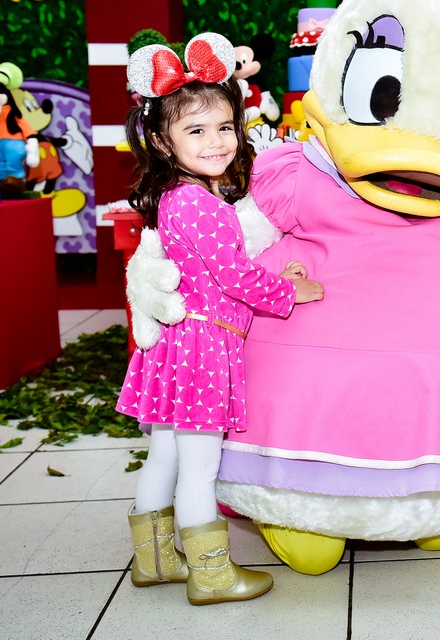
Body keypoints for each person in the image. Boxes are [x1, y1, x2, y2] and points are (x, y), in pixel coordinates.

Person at [115, 33, 324, 605]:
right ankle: (211, 576)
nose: (216, 142)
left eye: (224, 127)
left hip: (176, 345)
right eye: (196, 131)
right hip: (203, 349)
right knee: (200, 467)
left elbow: (214, 268)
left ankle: (155, 562)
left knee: (164, 454)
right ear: (162, 141)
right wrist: (290, 291)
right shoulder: (199, 202)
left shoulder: (178, 196)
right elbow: (235, 278)